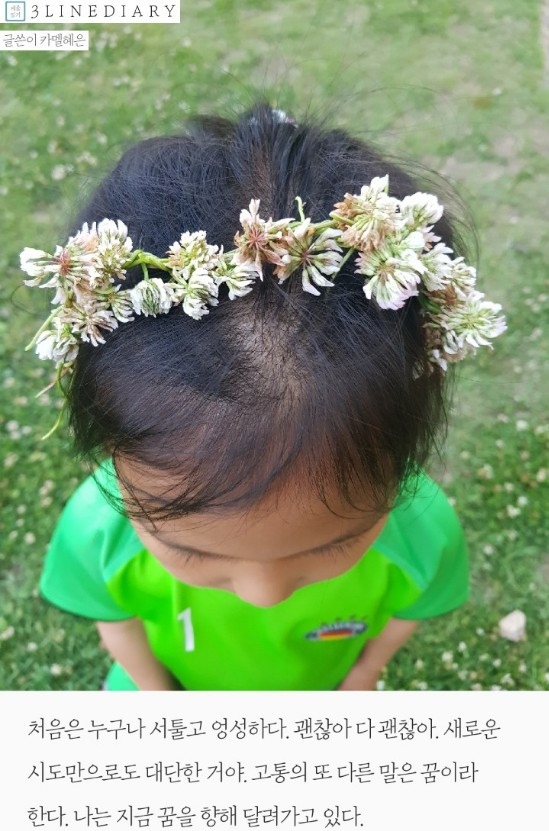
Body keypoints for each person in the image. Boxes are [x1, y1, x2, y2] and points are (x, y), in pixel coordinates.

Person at [23, 100, 506, 691]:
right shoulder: (97, 530)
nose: (264, 594)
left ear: (404, 454)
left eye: (334, 543)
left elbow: (410, 610)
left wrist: (364, 673)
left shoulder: (424, 532)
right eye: (193, 553)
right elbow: (115, 621)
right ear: (110, 442)